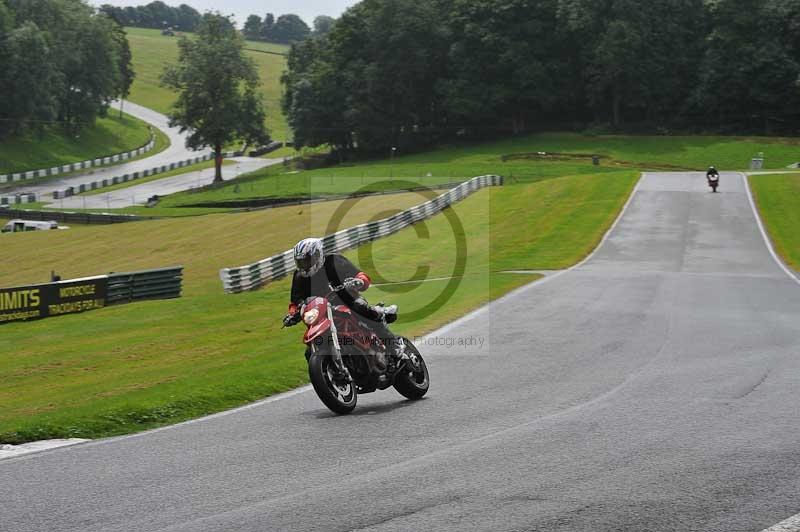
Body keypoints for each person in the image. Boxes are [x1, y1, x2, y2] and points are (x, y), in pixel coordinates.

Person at [283, 238, 401, 366]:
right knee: (309, 352)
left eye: (307, 260)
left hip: (347, 300)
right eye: (301, 262)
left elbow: (360, 275)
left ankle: (392, 344)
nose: (304, 265)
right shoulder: (299, 276)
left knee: (361, 308)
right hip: (321, 311)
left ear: (317, 255)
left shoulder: (333, 261)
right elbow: (295, 302)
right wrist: (292, 314)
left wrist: (358, 281)